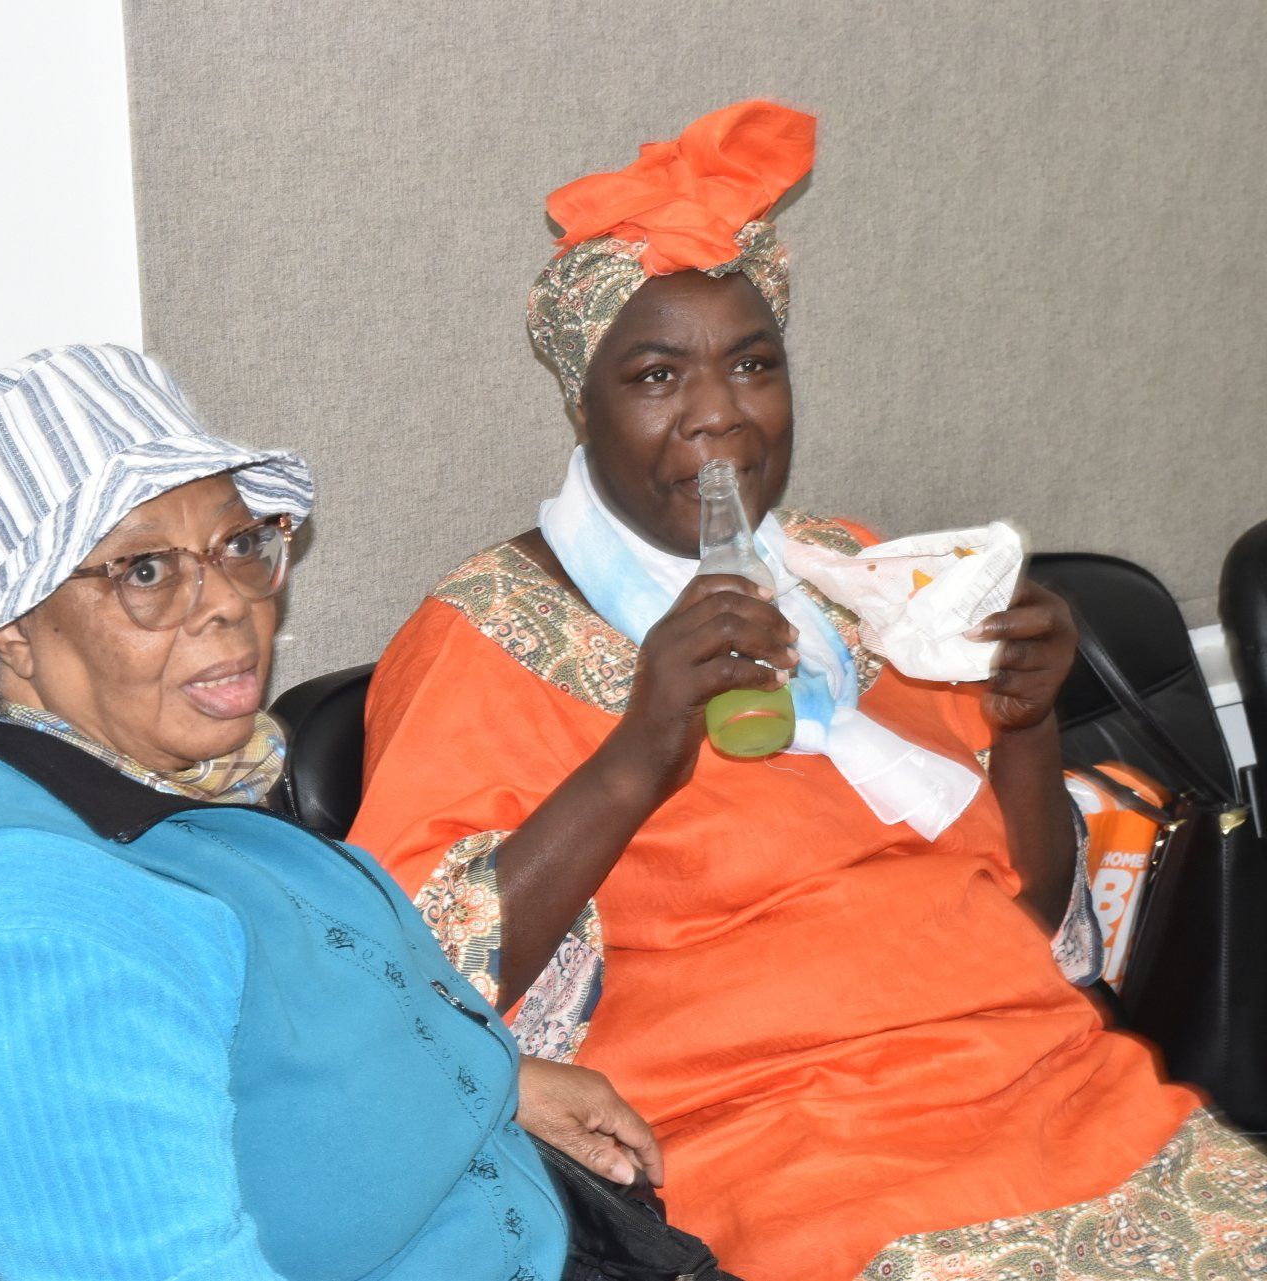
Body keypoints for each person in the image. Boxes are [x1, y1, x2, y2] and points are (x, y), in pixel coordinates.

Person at [348, 102, 1267, 1280]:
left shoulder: (860, 582)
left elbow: (1034, 922)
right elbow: (410, 1004)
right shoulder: (484, 637)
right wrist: (643, 748)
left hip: (1048, 1092)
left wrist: (1027, 722)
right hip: (784, 1157)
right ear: (583, 406)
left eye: (753, 364)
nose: (719, 413)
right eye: (657, 375)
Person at [0, 344, 698, 1281]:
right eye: (144, 571)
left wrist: (482, 1082)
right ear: (14, 630)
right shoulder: (18, 942)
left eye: (237, 544)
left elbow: (269, 1046)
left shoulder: (152, 772)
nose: (229, 603)